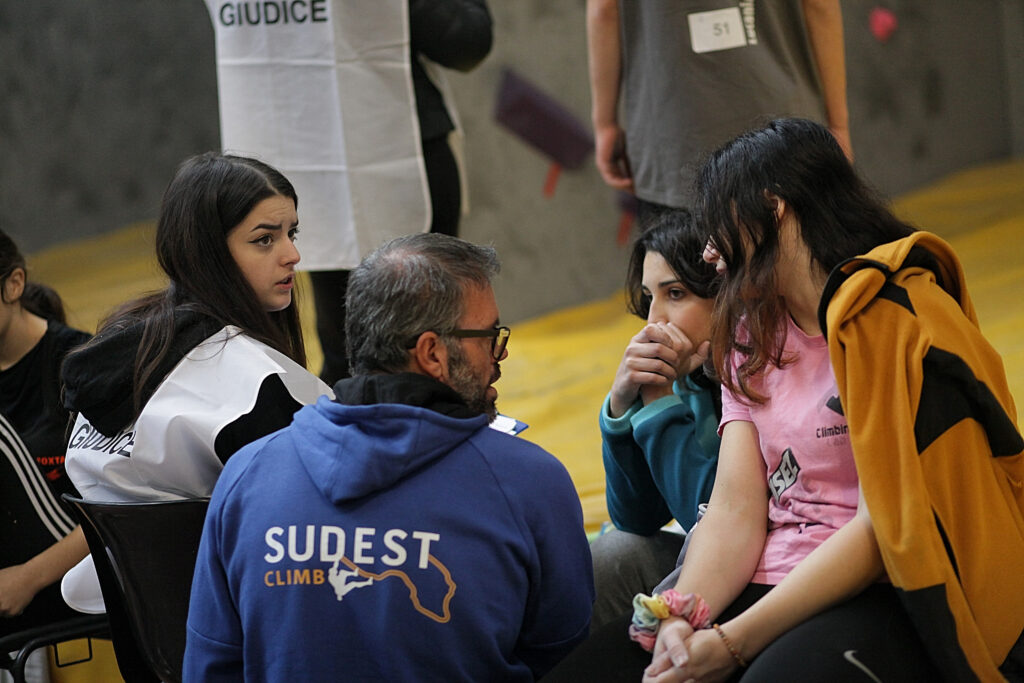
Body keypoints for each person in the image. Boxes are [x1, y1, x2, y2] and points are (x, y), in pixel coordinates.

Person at [543, 118, 1024, 682]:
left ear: (772, 212)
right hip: (766, 575)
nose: (707, 252)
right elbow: (733, 511)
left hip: (885, 585)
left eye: (716, 225)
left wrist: (731, 642)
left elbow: (884, 530)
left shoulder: (894, 320)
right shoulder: (750, 334)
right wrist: (680, 614)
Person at [184, 233, 595, 682]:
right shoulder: (530, 482)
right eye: (489, 336)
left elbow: (211, 663)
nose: (498, 357)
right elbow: (563, 652)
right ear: (433, 353)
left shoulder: (248, 473)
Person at [59, 153, 332, 611]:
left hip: (145, 623)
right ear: (207, 253)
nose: (293, 255)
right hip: (242, 621)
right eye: (265, 239)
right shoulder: (255, 384)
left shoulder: (117, 342)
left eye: (292, 233)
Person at [203, 0, 493, 384]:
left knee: (429, 336)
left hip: (393, 149)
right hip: (300, 151)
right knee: (347, 350)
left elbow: (467, 39)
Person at [586, 0, 851, 226]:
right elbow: (819, 5)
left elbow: (604, 10)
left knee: (695, 280)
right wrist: (838, 124)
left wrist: (605, 123)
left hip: (674, 144)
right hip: (787, 129)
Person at [590, 211, 721, 630]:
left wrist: (659, 402)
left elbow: (709, 519)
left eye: (676, 293)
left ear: (729, 289)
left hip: (763, 568)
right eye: (649, 297)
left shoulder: (760, 377)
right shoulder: (693, 372)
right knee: (604, 557)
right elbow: (637, 520)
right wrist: (621, 408)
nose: (654, 320)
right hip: (711, 559)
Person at [0, 229, 90, 642]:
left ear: (13, 284)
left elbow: (127, 501)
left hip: (75, 577)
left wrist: (28, 578)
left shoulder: (82, 364)